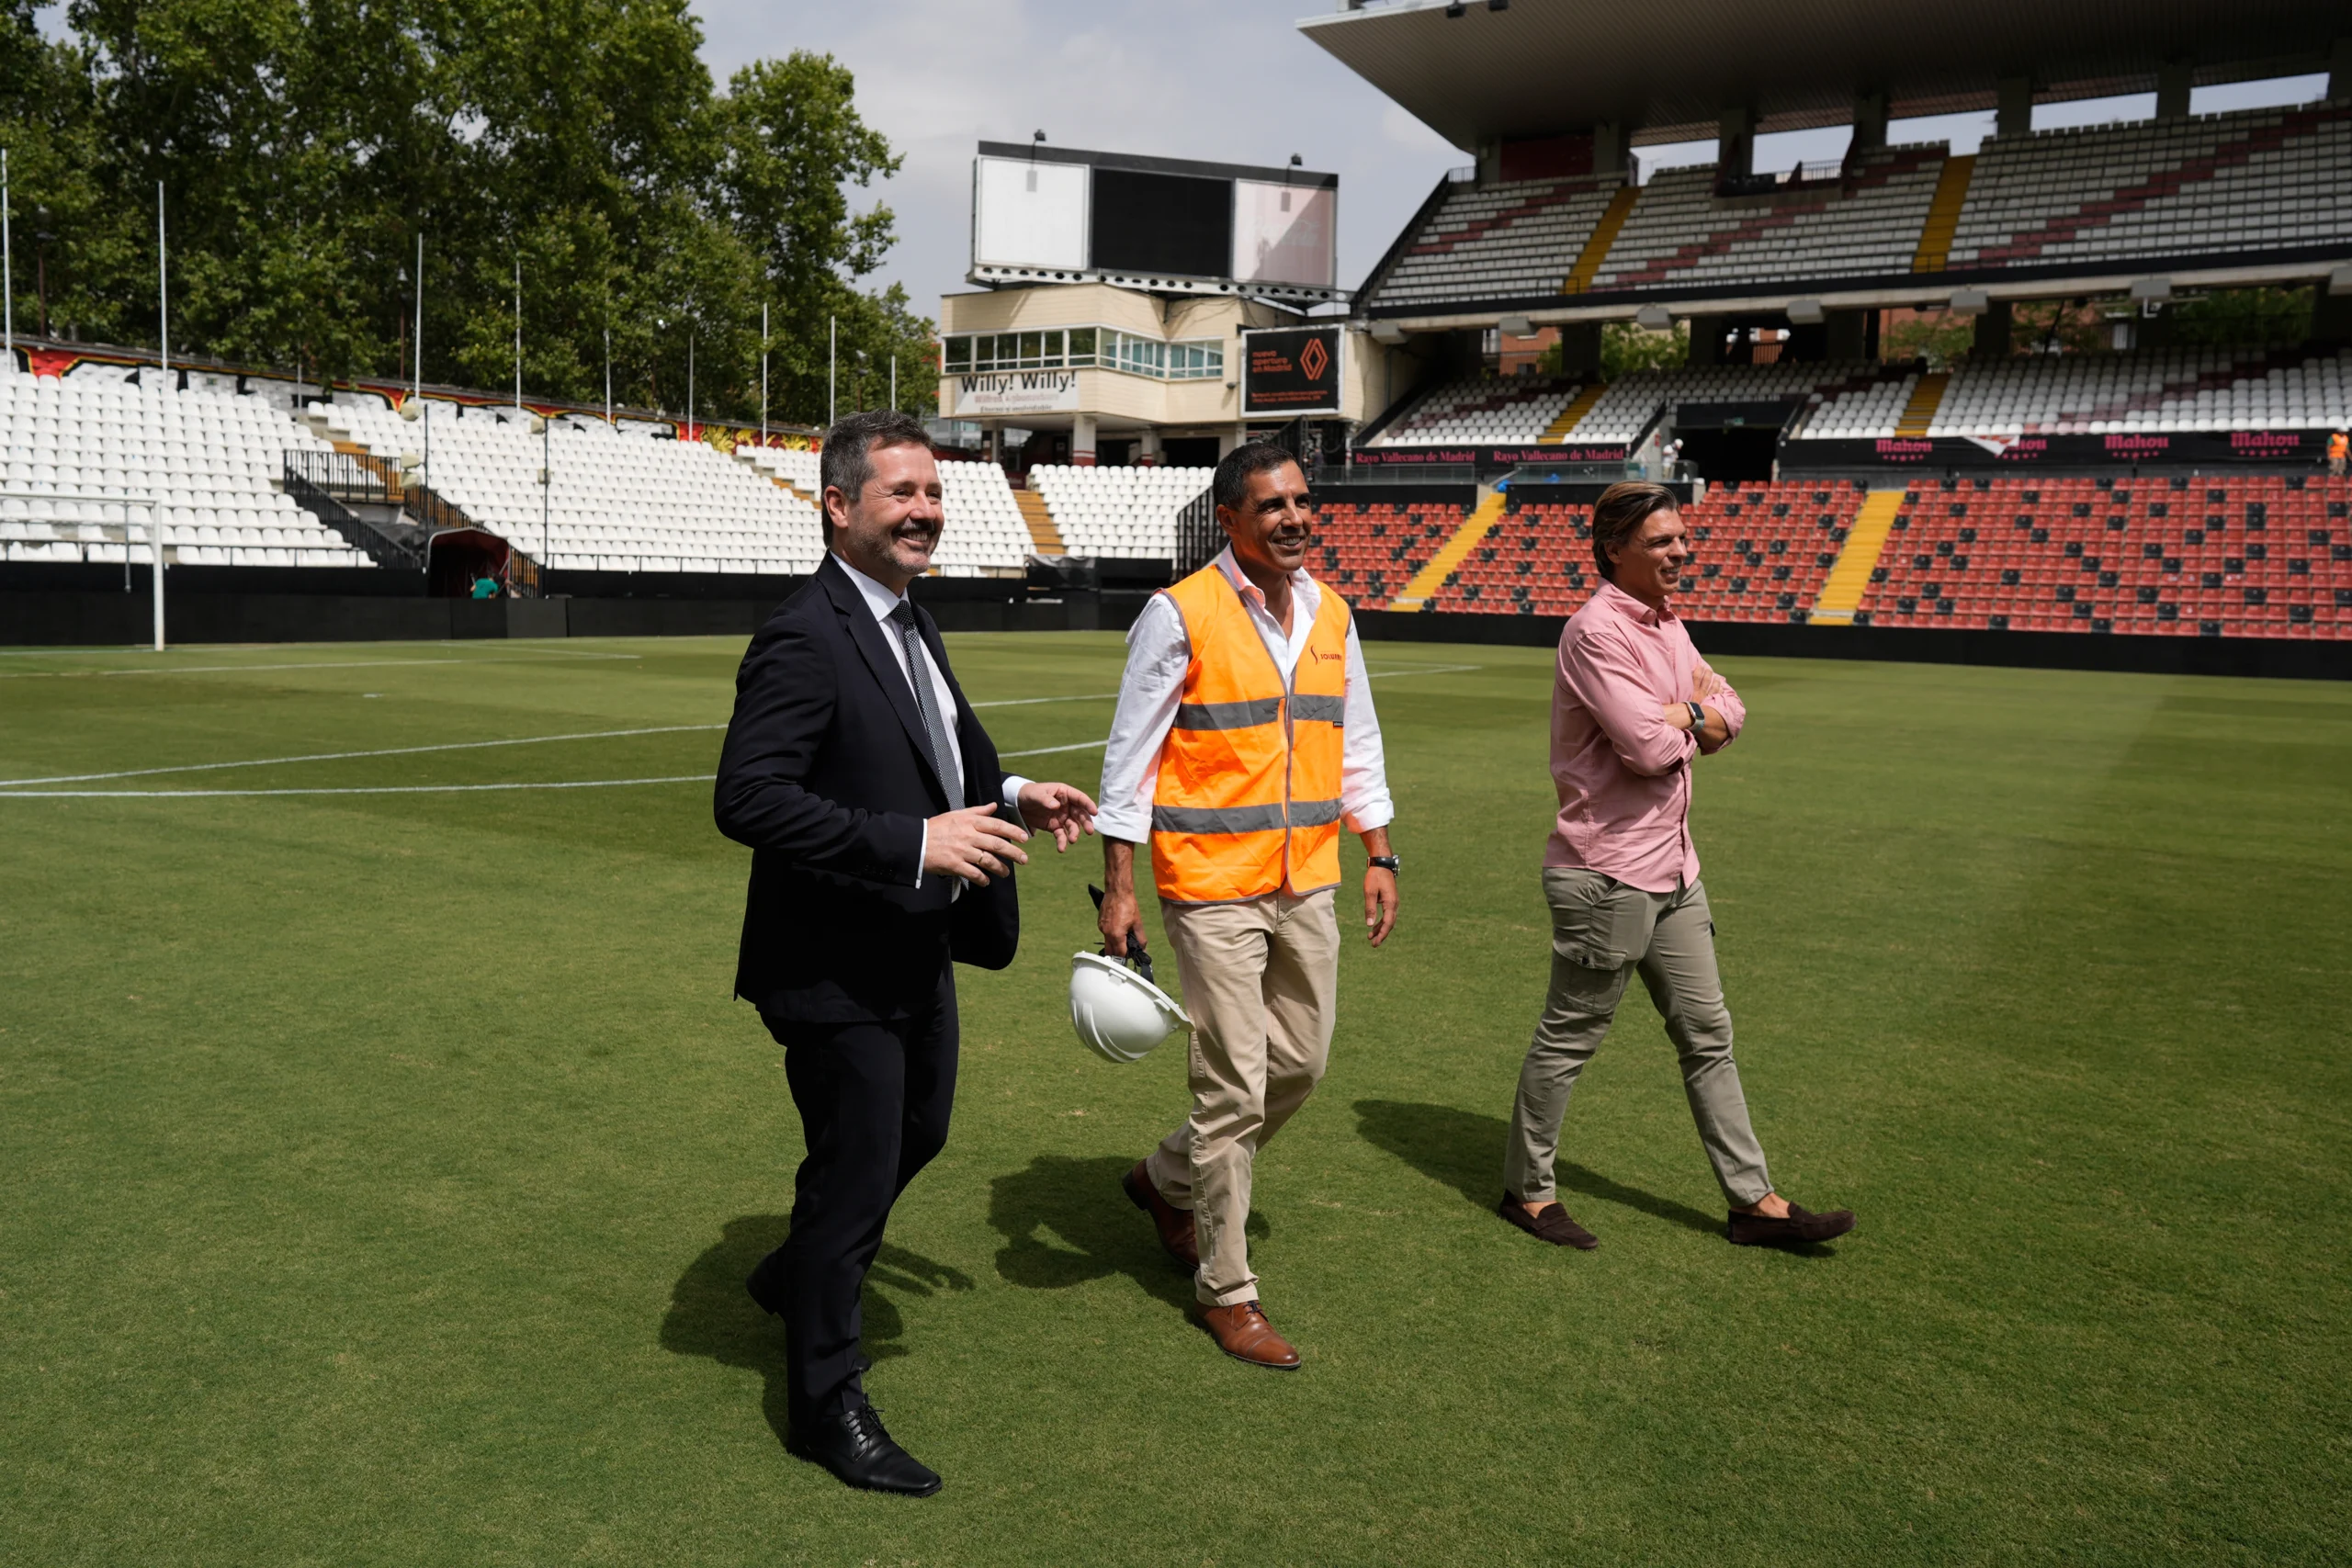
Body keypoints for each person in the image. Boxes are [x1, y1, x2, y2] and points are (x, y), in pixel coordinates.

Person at [713, 410, 1098, 1495]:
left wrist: (1014, 792)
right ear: (839, 505)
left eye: (934, 493)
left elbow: (947, 749)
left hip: (915, 945)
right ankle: (824, 1402)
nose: (926, 510)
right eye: (903, 494)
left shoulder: (907, 618)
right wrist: (911, 844)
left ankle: (794, 1273)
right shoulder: (806, 631)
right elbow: (745, 799)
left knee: (915, 1133)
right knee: (854, 1172)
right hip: (833, 959)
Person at [1095, 443, 1398, 1371]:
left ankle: (1164, 1178)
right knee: (1232, 1086)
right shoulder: (1178, 612)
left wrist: (1378, 847)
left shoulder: (1332, 612)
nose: (1295, 518)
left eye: (1303, 501)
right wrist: (1119, 885)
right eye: (1272, 506)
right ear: (1229, 518)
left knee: (1300, 1065)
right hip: (1210, 885)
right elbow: (1130, 755)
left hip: (1307, 874)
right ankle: (1228, 1291)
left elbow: (1356, 741)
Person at [1498, 480, 1853, 1253]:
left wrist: (1689, 711)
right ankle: (1528, 1191)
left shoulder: (1668, 624)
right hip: (1608, 874)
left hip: (1675, 870)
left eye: (1681, 538)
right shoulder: (1596, 632)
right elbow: (1651, 752)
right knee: (1570, 1038)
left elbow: (1731, 707)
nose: (1680, 551)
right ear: (1615, 549)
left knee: (1707, 1034)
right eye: (1661, 541)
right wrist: (1696, 720)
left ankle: (1752, 1201)